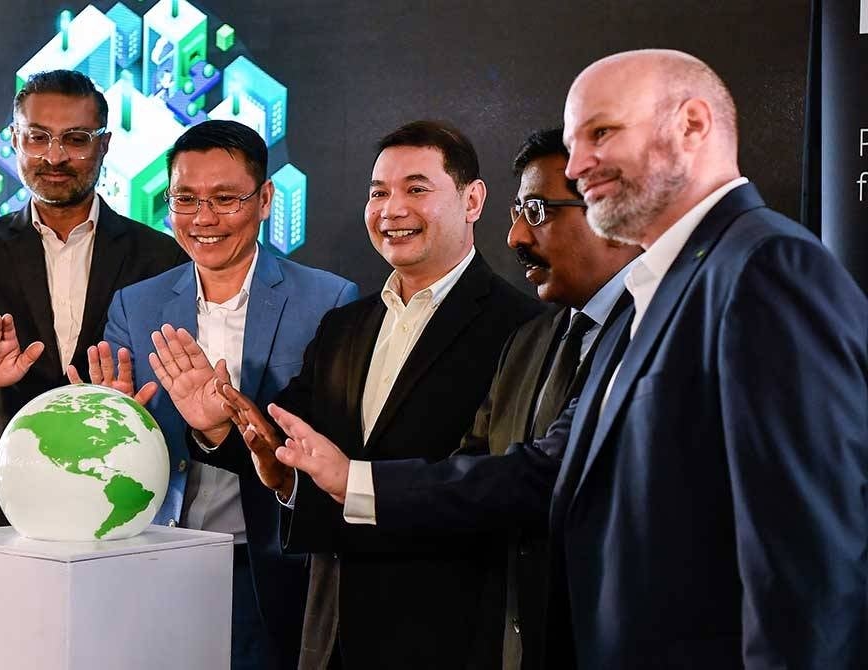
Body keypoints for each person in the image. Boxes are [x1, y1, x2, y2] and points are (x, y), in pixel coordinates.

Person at [268, 50, 868, 669]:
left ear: (692, 126)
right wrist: (347, 481)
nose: (579, 165)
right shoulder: (644, 301)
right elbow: (539, 473)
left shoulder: (764, 267)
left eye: (601, 134)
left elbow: (809, 558)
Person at [149, 120, 542, 669]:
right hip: (333, 629)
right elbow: (289, 446)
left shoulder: (523, 328)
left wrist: (354, 482)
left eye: (416, 189)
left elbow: (495, 486)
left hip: (450, 632)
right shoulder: (346, 326)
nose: (392, 208)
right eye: (379, 192)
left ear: (472, 199)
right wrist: (218, 426)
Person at [71, 119, 358, 670]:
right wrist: (110, 416)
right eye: (185, 199)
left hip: (266, 563)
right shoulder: (137, 304)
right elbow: (115, 443)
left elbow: (330, 444)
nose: (204, 218)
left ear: (266, 199)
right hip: (152, 555)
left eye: (226, 199)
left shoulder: (328, 299)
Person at [0, 69, 186, 534]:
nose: (55, 156)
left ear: (103, 145)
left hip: (112, 488)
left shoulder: (160, 254)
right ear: (15, 140)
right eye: (38, 137)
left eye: (76, 139)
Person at [464, 128, 639, 669]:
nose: (515, 235)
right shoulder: (527, 342)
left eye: (537, 210)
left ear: (612, 212)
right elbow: (471, 472)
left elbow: (544, 476)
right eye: (518, 209)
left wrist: (355, 483)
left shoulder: (663, 331)